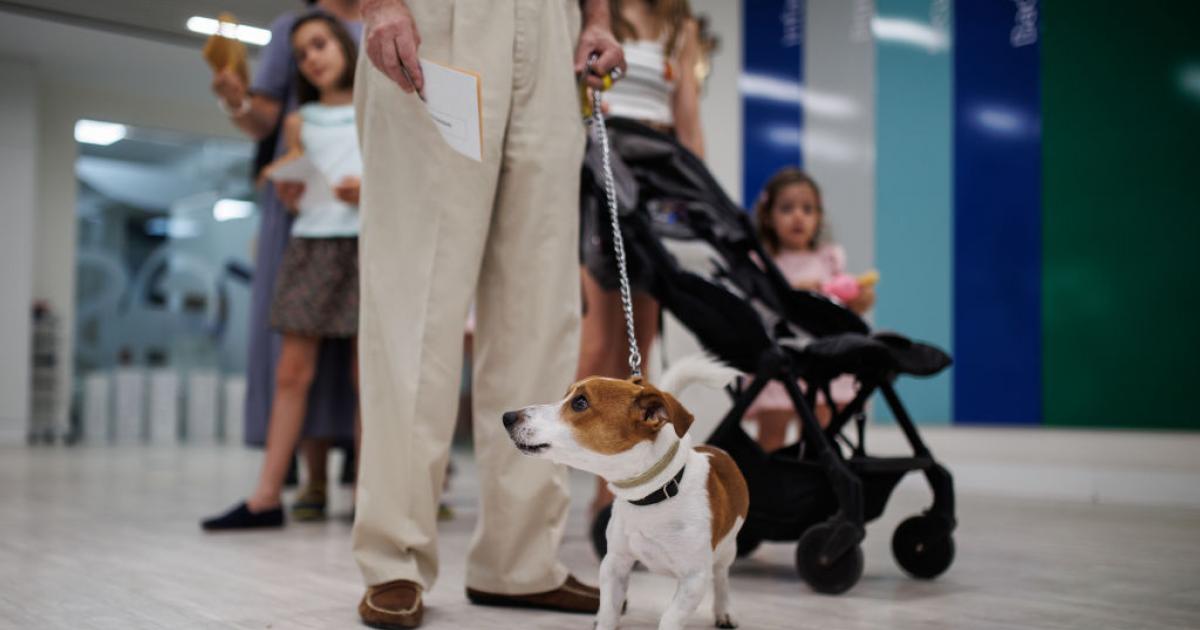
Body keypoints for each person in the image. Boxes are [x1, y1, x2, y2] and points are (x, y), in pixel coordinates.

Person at [351, 0, 625, 627]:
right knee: (416, 300)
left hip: (554, 31)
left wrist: (598, 20)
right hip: (436, 22)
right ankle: (394, 558)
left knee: (540, 312)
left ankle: (519, 563)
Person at [202, 13, 363, 530]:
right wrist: (284, 179)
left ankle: (368, 496)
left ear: (343, 44)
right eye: (301, 53)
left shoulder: (373, 113)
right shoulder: (299, 120)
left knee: (368, 377)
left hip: (365, 245)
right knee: (292, 372)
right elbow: (286, 166)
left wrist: (370, 188)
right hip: (310, 248)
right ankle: (266, 494)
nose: (312, 57)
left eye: (320, 44)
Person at [577, 0, 706, 520]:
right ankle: (556, 464)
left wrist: (698, 193)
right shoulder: (594, 15)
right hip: (604, 169)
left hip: (657, 183)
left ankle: (618, 486)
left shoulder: (681, 24)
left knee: (641, 341)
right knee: (601, 339)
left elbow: (689, 117)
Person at [748, 167, 875, 452]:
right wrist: (793, 294)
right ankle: (769, 490)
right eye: (787, 208)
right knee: (771, 436)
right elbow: (756, 310)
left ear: (818, 217)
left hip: (822, 360)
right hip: (779, 360)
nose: (798, 217)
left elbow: (839, 310)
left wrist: (857, 302)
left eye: (807, 209)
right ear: (768, 216)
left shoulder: (828, 258)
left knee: (819, 433)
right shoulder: (763, 262)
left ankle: (812, 486)